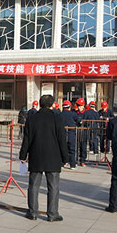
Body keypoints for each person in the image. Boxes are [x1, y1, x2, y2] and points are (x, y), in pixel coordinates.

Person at [19, 94, 69, 222]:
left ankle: (32, 212)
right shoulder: (57, 118)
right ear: (52, 104)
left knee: (33, 186)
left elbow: (27, 139)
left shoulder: (32, 118)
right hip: (53, 156)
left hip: (36, 155)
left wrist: (23, 155)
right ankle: (52, 214)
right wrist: (65, 157)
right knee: (53, 186)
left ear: (40, 104)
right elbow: (61, 139)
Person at [60, 100, 80, 170]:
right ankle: (72, 165)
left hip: (62, 134)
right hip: (71, 133)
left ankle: (61, 163)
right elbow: (79, 121)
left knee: (62, 149)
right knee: (72, 149)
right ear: (69, 107)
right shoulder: (73, 114)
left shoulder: (60, 114)